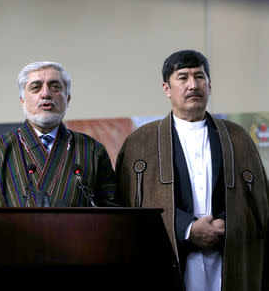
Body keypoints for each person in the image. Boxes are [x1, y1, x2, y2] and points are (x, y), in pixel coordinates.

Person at [115, 50, 268, 291]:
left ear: (210, 85)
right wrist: (187, 228)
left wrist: (225, 224)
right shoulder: (139, 142)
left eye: (199, 77)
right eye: (183, 77)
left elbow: (259, 203)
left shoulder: (238, 136)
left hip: (229, 256)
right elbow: (127, 207)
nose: (193, 85)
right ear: (167, 88)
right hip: (168, 257)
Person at [0, 61, 117, 213]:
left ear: (68, 99)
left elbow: (112, 216)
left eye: (55, 87)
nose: (46, 94)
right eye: (36, 87)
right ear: (22, 100)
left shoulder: (92, 150)